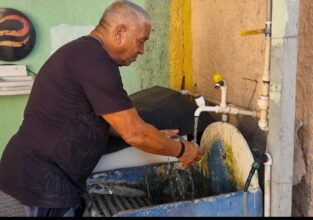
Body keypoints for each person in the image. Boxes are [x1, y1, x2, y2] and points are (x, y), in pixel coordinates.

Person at [0, 0, 204, 217]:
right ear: (119, 32)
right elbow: (134, 133)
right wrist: (183, 150)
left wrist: (153, 136)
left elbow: (98, 121)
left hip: (31, 177)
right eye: (141, 41)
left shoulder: (82, 53)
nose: (142, 50)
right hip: (37, 188)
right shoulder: (96, 63)